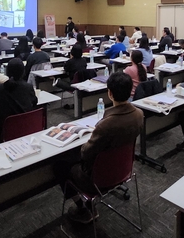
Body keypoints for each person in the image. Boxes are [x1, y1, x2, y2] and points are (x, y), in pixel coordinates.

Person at [59, 72, 143, 223]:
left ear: (109, 93)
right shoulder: (139, 114)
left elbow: (86, 153)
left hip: (98, 179)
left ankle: (83, 208)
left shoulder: (107, 125)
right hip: (124, 170)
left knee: (61, 165)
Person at [0, 58, 38, 146]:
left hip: (2, 134)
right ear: (23, 72)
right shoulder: (28, 87)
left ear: (7, 72)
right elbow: (34, 103)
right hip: (25, 130)